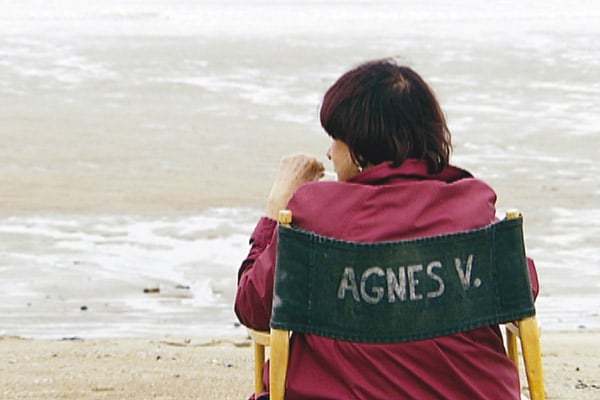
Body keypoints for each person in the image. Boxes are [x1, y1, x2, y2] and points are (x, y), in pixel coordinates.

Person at [234, 59, 539, 399]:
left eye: (336, 139)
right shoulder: (472, 206)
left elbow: (252, 306)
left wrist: (277, 207)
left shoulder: (315, 213)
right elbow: (522, 291)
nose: (329, 153)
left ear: (361, 147)